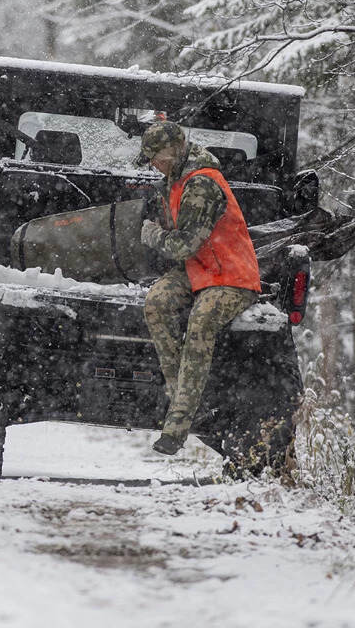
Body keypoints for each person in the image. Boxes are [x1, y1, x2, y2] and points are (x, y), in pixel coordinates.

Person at [137, 121, 262, 456]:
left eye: (156, 157)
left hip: (232, 276)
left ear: (177, 149)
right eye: (150, 159)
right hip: (201, 271)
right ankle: (181, 394)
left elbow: (182, 246)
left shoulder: (201, 183)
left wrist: (151, 235)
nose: (154, 165)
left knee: (200, 323)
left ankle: (178, 423)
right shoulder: (175, 179)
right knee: (156, 302)